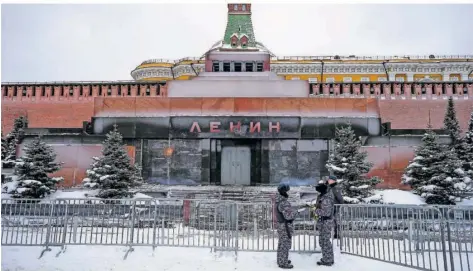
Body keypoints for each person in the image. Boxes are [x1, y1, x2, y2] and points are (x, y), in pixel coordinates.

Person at [275, 183, 296, 269]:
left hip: (281, 225)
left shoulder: (278, 200)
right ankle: (283, 263)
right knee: (285, 244)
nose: (288, 193)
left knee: (281, 243)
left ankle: (281, 260)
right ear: (284, 192)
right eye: (287, 191)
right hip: (285, 225)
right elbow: (289, 216)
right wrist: (296, 212)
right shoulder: (284, 202)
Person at [314, 182, 335, 266]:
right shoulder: (322, 197)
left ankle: (328, 260)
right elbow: (320, 206)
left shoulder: (326, 199)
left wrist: (315, 210)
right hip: (322, 222)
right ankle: (326, 258)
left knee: (325, 241)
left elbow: (326, 212)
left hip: (326, 222)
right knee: (322, 241)